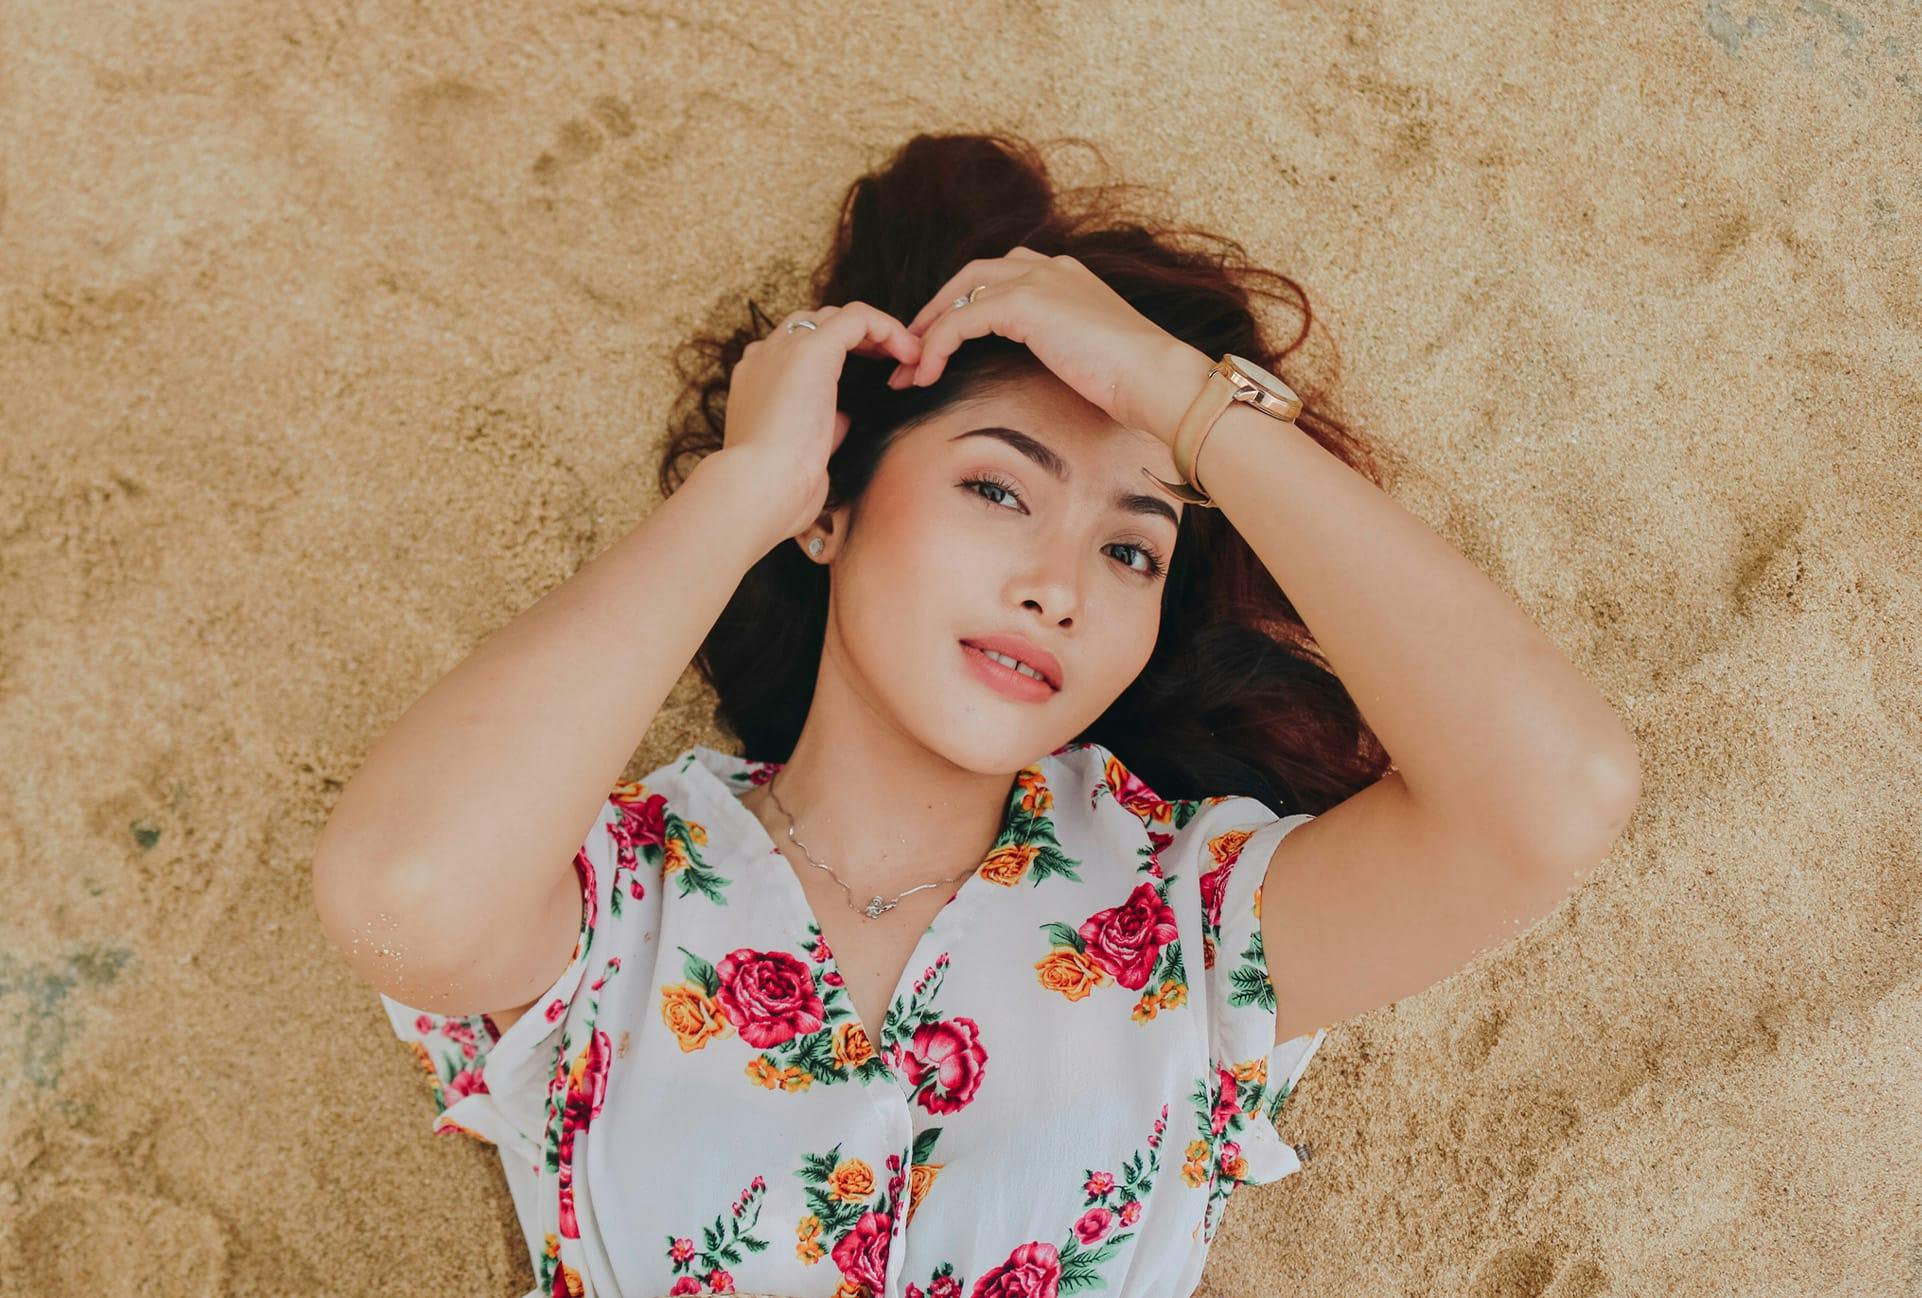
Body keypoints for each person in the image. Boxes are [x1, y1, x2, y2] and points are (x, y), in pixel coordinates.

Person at [313, 132, 1641, 1298]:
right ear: (826, 509)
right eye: (999, 490)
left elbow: (1553, 794)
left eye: (1131, 548)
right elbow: (404, 895)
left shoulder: (1184, 916)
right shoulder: (614, 895)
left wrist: (1185, 401)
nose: (1056, 585)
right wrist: (745, 483)